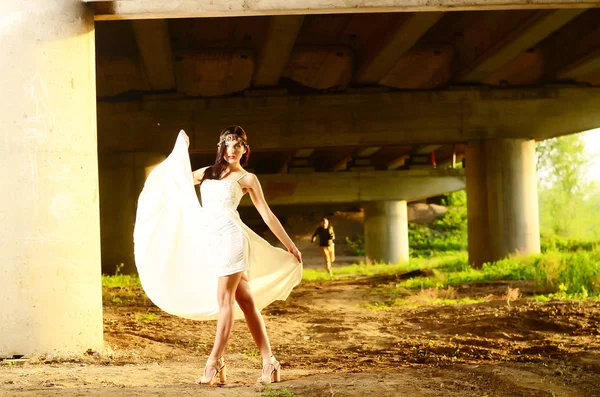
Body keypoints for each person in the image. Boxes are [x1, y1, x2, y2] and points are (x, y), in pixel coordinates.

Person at [133, 127, 303, 386]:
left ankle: (214, 363)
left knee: (225, 302)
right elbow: (174, 182)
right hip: (211, 241)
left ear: (245, 150)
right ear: (220, 147)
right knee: (246, 303)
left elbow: (267, 215)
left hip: (232, 238)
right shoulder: (207, 174)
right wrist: (180, 150)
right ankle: (270, 362)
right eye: (228, 144)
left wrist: (290, 246)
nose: (232, 150)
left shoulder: (247, 179)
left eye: (238, 145)